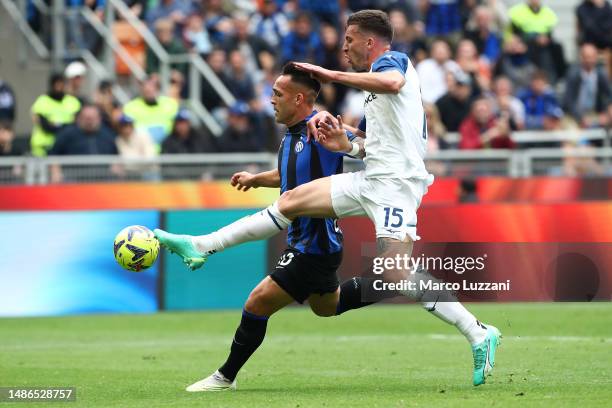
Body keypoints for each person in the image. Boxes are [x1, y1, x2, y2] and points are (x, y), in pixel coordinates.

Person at [155, 10, 501, 389]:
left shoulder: (393, 61)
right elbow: (375, 147)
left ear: (370, 42)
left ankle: (478, 331)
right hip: (373, 178)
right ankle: (200, 245)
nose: (344, 46)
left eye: (349, 39)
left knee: (395, 273)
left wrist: (329, 75)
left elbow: (393, 80)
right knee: (290, 202)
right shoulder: (373, 94)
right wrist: (347, 143)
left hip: (397, 187)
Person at [30, 74, 81, 157]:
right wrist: (64, 126)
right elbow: (46, 126)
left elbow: (76, 125)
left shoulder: (73, 102)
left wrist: (57, 125)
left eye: (61, 84)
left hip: (66, 148)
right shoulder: (42, 101)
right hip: (43, 149)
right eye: (56, 84)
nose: (59, 88)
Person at [563, 43, 612, 129]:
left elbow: (608, 96)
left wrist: (607, 111)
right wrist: (581, 118)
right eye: (587, 57)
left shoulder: (601, 75)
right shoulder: (573, 75)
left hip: (594, 114)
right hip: (575, 115)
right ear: (581, 58)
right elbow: (569, 101)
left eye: (592, 57)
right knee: (571, 135)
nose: (589, 60)